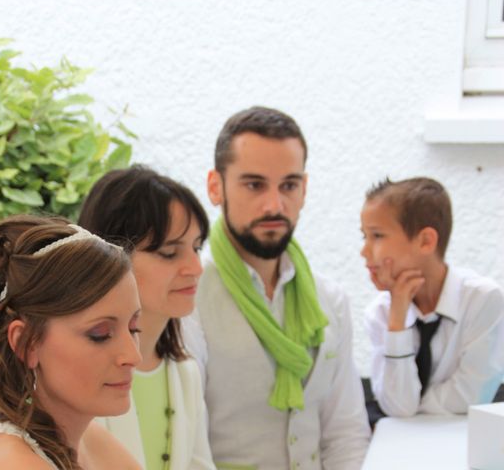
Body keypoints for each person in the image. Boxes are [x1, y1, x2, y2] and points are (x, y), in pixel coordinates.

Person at [184, 106, 370, 470]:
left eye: (289, 185)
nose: (274, 204)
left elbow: (345, 433)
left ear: (304, 188)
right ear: (214, 187)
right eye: (254, 184)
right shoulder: (187, 300)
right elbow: (186, 448)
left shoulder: (330, 300)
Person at [0, 215, 143, 470]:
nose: (132, 356)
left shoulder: (92, 441)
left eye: (133, 328)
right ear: (26, 343)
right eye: (100, 334)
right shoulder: (7, 465)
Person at [78, 165, 216, 470]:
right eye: (169, 252)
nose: (195, 268)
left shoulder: (185, 373)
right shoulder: (73, 375)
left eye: (196, 248)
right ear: (108, 255)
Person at [361, 177, 504, 418]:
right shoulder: (381, 313)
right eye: (363, 236)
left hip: (463, 441)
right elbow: (397, 408)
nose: (364, 251)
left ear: (426, 241)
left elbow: (469, 398)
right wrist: (397, 323)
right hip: (403, 443)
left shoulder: (484, 300)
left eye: (377, 236)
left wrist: (413, 408)